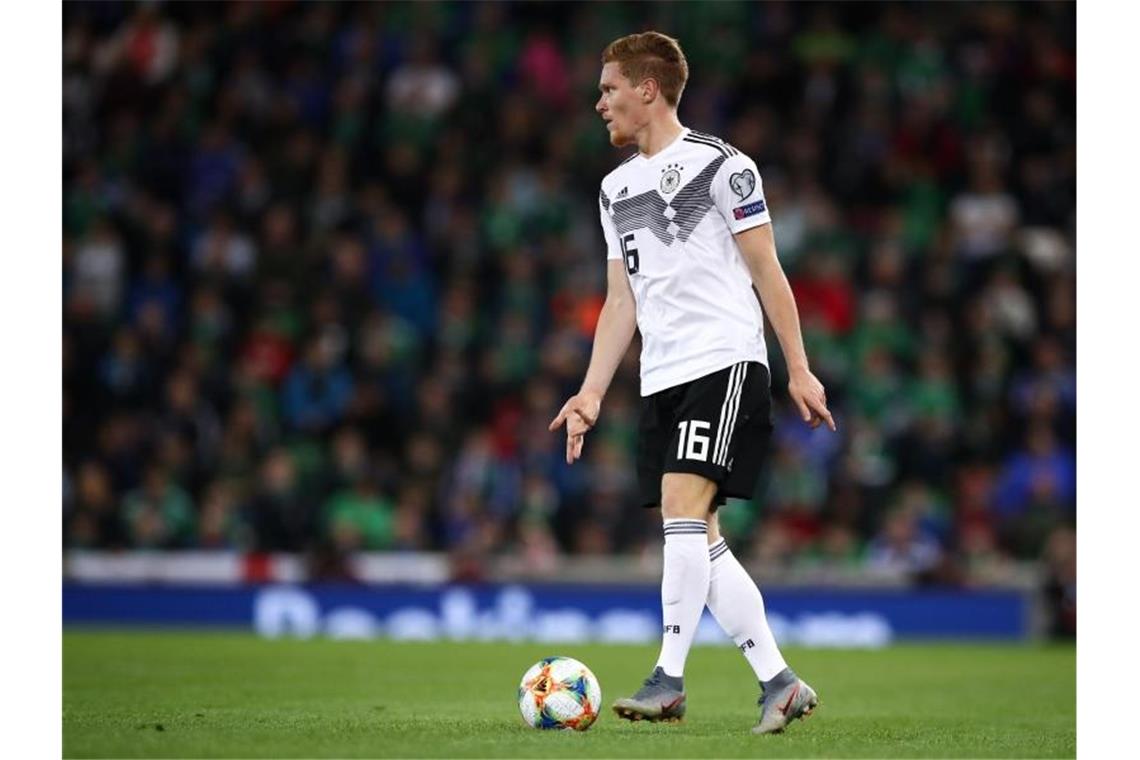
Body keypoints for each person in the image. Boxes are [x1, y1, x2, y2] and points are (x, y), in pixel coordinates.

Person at [550, 31, 836, 735]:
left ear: (648, 90)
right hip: (662, 374)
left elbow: (769, 270)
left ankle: (668, 679)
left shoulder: (722, 167)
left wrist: (797, 365)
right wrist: (590, 391)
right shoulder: (614, 189)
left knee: (682, 502)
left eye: (610, 89)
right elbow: (622, 300)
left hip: (726, 360)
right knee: (700, 537)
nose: (599, 104)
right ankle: (780, 682)